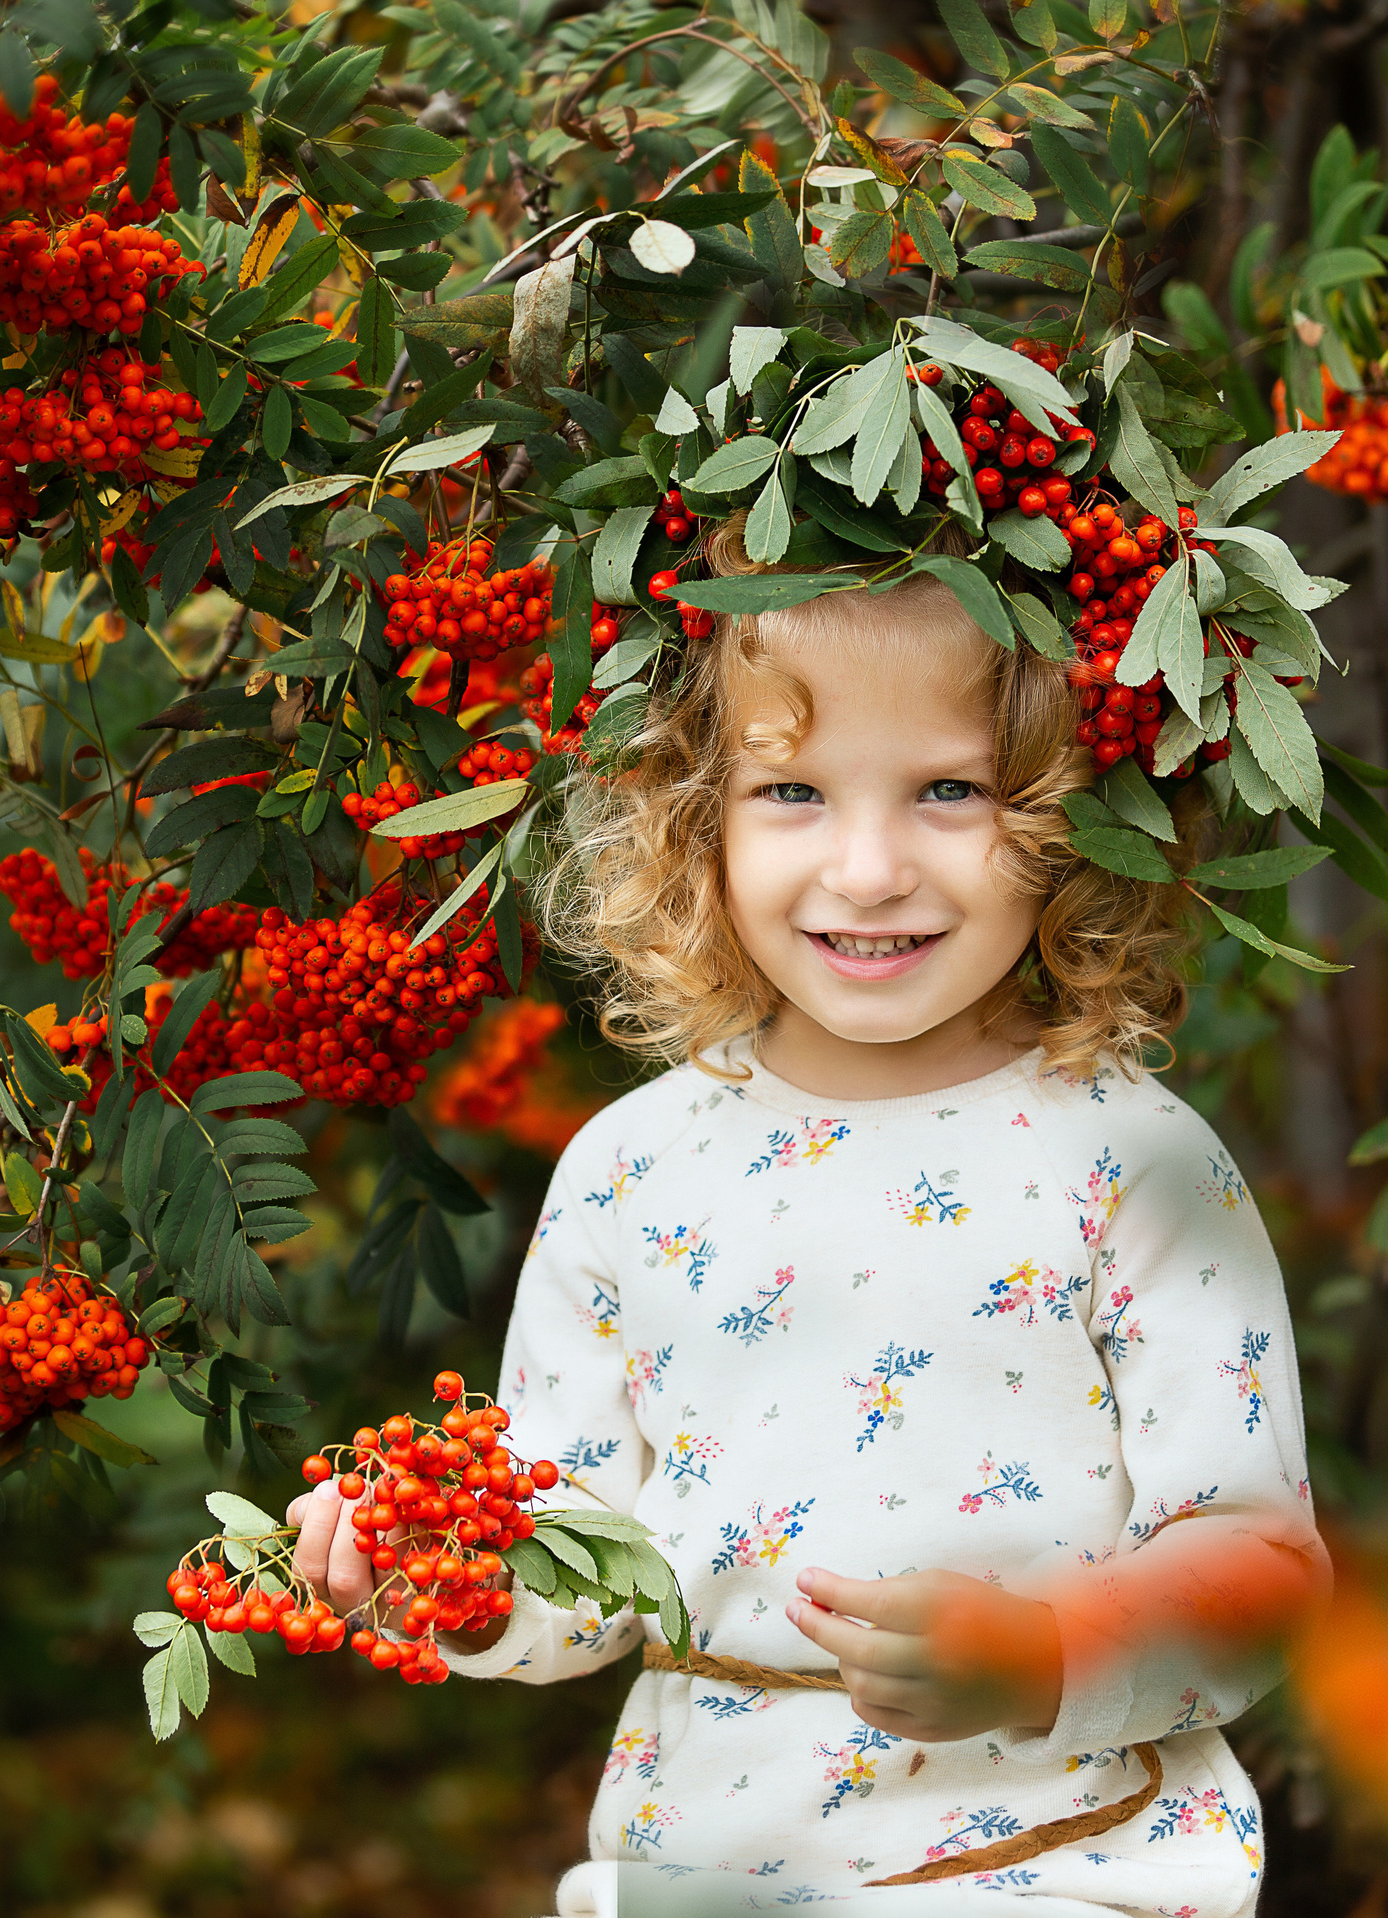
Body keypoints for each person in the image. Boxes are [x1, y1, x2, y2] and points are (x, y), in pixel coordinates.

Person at [289, 525, 1328, 1916]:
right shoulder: (631, 1170)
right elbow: (579, 1563)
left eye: (950, 789)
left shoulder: (1133, 1162)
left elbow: (1259, 1570)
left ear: (1074, 818)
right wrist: (445, 1567)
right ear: (690, 814)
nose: (869, 867)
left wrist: (1042, 1655)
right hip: (701, 1870)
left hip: (1054, 1867)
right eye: (792, 790)